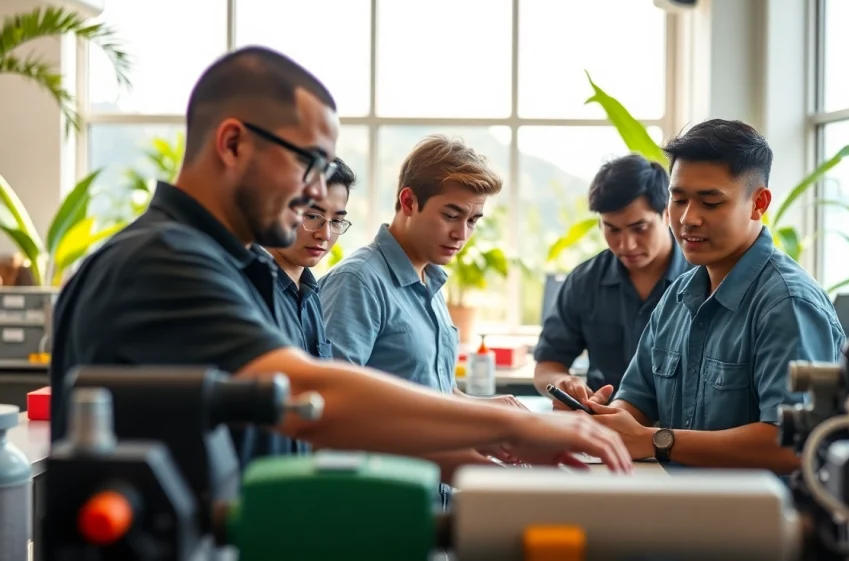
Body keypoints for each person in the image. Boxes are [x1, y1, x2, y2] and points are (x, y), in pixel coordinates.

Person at [48, 45, 633, 476]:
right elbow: (310, 400)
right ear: (232, 143)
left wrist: (483, 449)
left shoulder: (252, 274)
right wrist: (510, 423)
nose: (313, 195)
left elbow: (308, 426)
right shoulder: (163, 261)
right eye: (308, 163)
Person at [585, 119, 844, 474]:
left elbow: (792, 443)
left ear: (759, 203)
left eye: (710, 202)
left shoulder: (786, 304)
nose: (689, 219)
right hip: (680, 507)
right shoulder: (678, 294)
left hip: (756, 522)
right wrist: (601, 420)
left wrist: (656, 440)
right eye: (678, 200)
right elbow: (638, 398)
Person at [317, 135, 527, 491]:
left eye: (473, 220)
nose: (462, 234)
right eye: (451, 215)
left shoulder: (428, 280)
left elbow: (426, 389)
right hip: (380, 502)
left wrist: (486, 411)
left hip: (428, 498)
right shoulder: (359, 282)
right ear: (409, 201)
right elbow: (336, 413)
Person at [532, 154, 692, 408]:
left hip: (681, 434)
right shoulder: (584, 282)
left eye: (640, 228)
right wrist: (563, 382)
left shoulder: (705, 276)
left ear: (666, 214)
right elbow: (546, 366)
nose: (626, 244)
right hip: (602, 429)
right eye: (612, 229)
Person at [264, 158, 356, 359]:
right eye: (312, 216)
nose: (325, 234)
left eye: (337, 221)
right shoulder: (254, 290)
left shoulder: (311, 293)